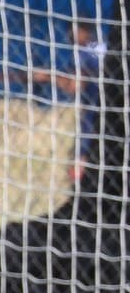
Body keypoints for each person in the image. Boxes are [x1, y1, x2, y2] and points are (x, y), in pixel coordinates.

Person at [33, 19, 106, 182]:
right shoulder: (104, 49)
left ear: (83, 30)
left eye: (73, 30)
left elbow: (75, 85)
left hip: (93, 117)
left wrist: (48, 76)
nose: (69, 36)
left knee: (81, 162)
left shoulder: (85, 52)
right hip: (109, 113)